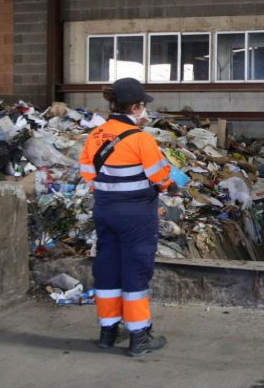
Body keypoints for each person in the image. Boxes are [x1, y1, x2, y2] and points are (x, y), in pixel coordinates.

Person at [78, 77, 171, 356]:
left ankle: (108, 331)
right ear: (135, 107)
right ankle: (139, 337)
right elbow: (160, 178)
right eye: (142, 106)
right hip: (136, 216)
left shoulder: (95, 135)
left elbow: (88, 175)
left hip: (105, 211)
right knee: (135, 270)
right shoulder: (141, 139)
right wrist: (164, 182)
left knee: (107, 267)